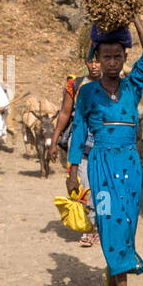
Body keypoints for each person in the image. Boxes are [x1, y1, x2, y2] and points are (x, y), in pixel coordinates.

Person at [66, 16, 143, 286]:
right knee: (107, 220)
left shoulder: (133, 87)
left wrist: (135, 18)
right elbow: (78, 130)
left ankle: (114, 267)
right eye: (106, 57)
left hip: (130, 164)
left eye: (118, 56)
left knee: (126, 223)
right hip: (100, 165)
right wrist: (72, 172)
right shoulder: (88, 93)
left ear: (124, 58)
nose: (113, 62)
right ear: (97, 60)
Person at [52, 55, 103, 247]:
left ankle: (101, 227)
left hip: (103, 142)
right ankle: (89, 228)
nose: (95, 65)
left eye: (99, 61)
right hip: (80, 141)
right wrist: (54, 140)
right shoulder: (76, 85)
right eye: (92, 61)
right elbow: (65, 113)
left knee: (102, 188)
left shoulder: (113, 84)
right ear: (86, 63)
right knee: (84, 186)